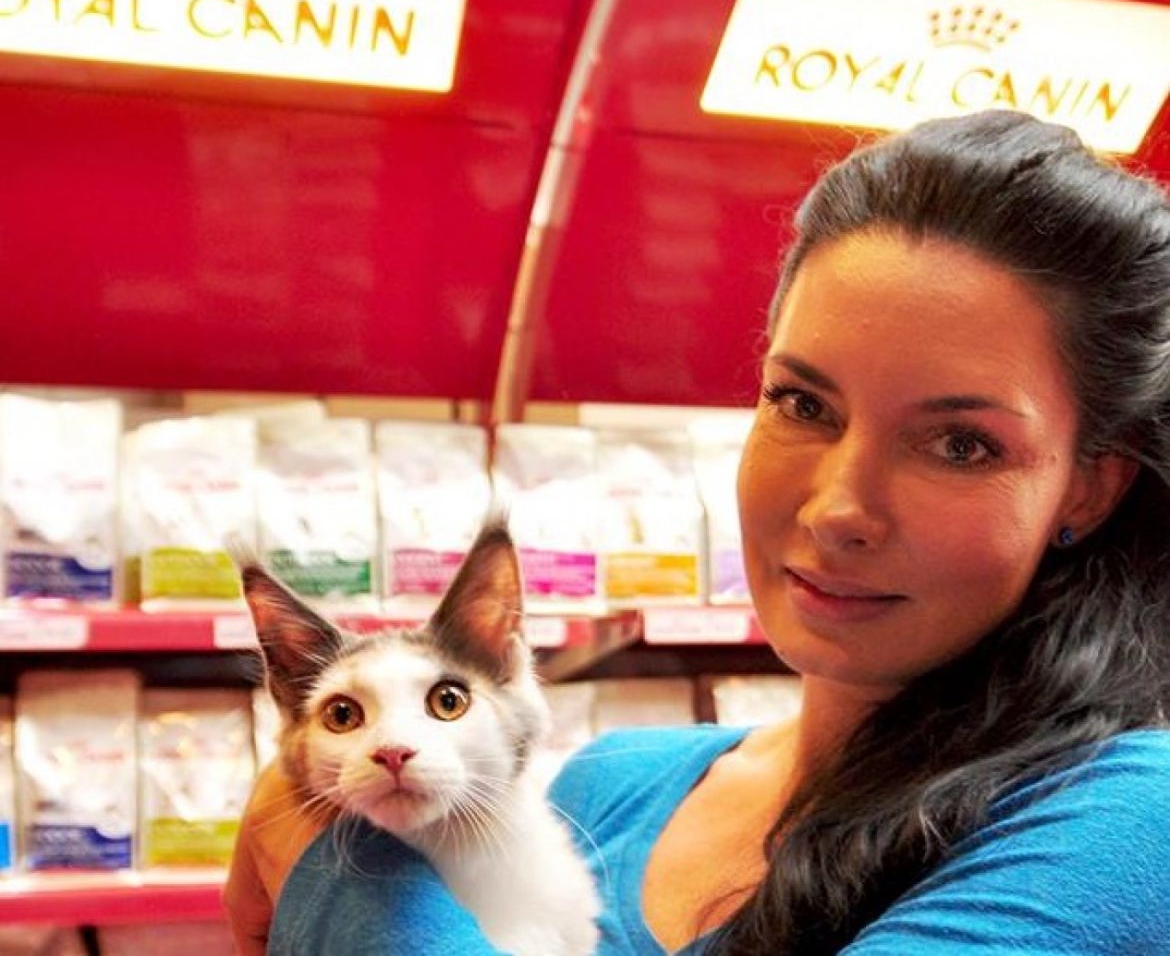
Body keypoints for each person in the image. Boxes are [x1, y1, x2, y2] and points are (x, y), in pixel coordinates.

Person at [225, 109, 1170, 955]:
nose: (837, 508)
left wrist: (310, 846)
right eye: (802, 402)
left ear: (1089, 487)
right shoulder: (607, 786)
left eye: (961, 444)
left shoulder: (1129, 819)